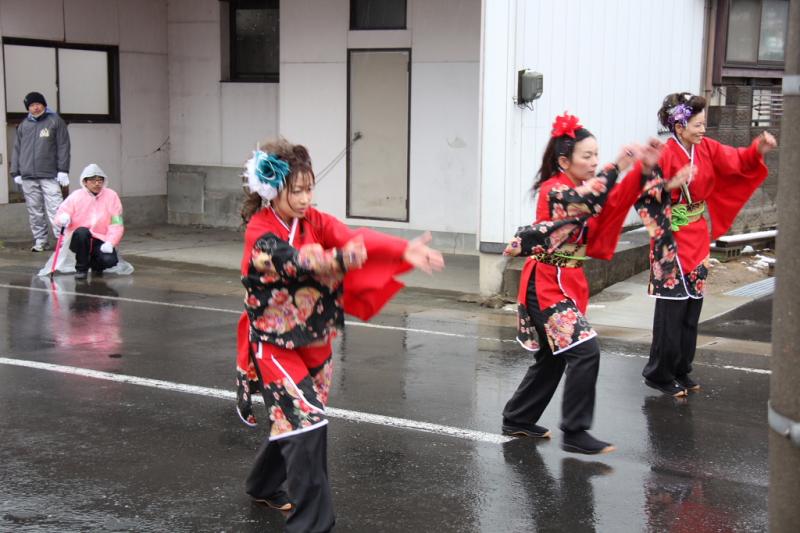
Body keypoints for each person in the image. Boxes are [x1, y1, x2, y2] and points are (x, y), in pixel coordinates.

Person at [235, 138, 444, 532]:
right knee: (308, 421)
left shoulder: (314, 220)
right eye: (295, 190)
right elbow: (285, 259)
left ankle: (263, 483)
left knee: (296, 419)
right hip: (274, 344)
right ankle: (313, 524)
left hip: (315, 341)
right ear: (272, 188)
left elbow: (353, 237)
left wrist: (402, 251)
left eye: (309, 188)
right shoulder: (260, 229)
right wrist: (330, 259)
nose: (304, 198)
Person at [501, 112, 687, 455]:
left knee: (554, 357)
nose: (594, 162)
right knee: (584, 350)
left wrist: (642, 168)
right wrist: (618, 164)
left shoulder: (579, 188)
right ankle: (574, 431)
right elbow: (591, 200)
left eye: (596, 156)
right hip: (544, 282)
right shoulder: (555, 191)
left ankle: (518, 418)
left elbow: (612, 204)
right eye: (587, 156)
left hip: (567, 280)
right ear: (563, 160)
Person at [641, 92, 777, 396]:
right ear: (679, 126)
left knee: (691, 309)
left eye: (705, 124)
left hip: (697, 235)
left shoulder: (708, 149)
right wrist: (671, 185)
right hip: (670, 238)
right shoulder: (664, 154)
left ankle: (680, 368)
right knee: (671, 311)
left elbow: (737, 159)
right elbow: (645, 193)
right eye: (698, 124)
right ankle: (658, 373)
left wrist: (757, 148)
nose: (704, 129)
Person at [10, 91, 71, 252]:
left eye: (38, 104)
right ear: (28, 108)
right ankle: (40, 240)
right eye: (31, 105)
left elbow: (64, 146)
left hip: (49, 174)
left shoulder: (55, 121)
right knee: (34, 210)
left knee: (56, 209)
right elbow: (17, 149)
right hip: (28, 176)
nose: (35, 108)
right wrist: (15, 172)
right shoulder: (24, 125)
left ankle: (62, 240)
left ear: (44, 104)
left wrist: (63, 170)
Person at [54, 164, 124, 280]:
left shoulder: (112, 196)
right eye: (93, 180)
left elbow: (117, 222)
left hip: (101, 238)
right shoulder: (76, 196)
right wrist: (64, 218)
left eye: (100, 180)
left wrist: (111, 242)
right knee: (82, 232)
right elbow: (60, 215)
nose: (97, 183)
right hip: (79, 238)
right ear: (85, 181)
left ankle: (96, 265)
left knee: (110, 260)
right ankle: (81, 269)